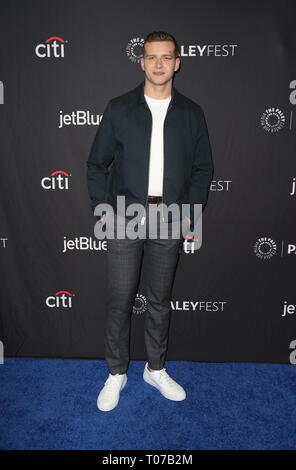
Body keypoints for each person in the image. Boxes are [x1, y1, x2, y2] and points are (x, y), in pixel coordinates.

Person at [86, 31, 214, 412]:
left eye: (166, 57)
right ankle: (116, 373)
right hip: (124, 216)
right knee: (120, 300)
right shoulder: (119, 108)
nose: (158, 64)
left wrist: (190, 213)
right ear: (141, 62)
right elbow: (96, 164)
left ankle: (155, 368)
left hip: (171, 218)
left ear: (177, 63)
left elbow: (202, 169)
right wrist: (101, 208)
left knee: (159, 300)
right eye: (151, 57)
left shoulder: (192, 113)